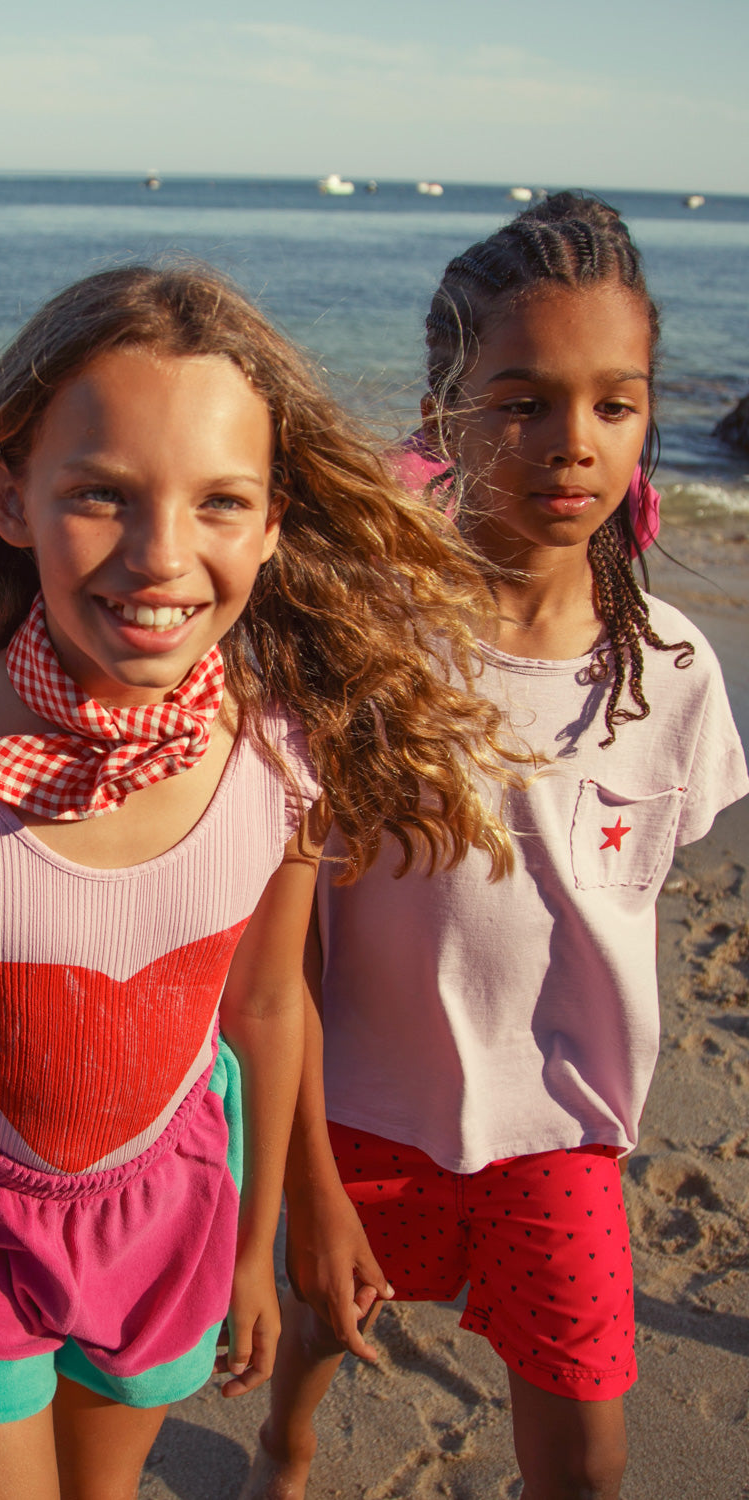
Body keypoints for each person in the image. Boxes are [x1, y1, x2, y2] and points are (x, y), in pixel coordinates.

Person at [0, 264, 518, 1500]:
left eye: (220, 501)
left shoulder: (279, 767)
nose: (162, 555)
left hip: (168, 1213)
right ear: (11, 498)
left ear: (271, 523)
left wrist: (252, 1248)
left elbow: (265, 1008)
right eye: (101, 494)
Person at [243, 195, 749, 1500]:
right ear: (442, 413)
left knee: (588, 1458)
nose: (573, 443)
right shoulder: (364, 649)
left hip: (562, 1139)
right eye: (521, 401)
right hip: (359, 1115)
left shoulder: (673, 671)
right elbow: (290, 947)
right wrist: (308, 1183)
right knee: (322, 1322)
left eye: (615, 404)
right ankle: (287, 1444)